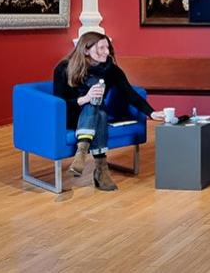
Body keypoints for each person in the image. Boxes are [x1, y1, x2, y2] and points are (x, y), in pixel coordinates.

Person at [53, 32, 165, 191]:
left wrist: (151, 113)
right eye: (101, 48)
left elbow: (129, 93)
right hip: (70, 116)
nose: (106, 52)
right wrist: (85, 99)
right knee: (96, 108)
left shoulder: (110, 69)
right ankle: (101, 170)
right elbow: (60, 103)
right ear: (86, 50)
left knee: (98, 110)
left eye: (108, 47)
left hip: (96, 116)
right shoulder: (64, 68)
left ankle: (82, 152)